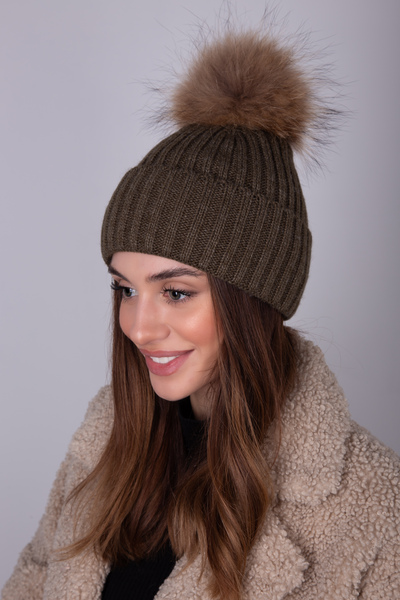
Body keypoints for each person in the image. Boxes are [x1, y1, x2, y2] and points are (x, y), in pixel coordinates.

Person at [2, 24, 399, 600]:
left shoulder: (373, 507)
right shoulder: (106, 441)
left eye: (176, 292)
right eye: (125, 289)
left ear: (254, 298)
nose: (139, 327)